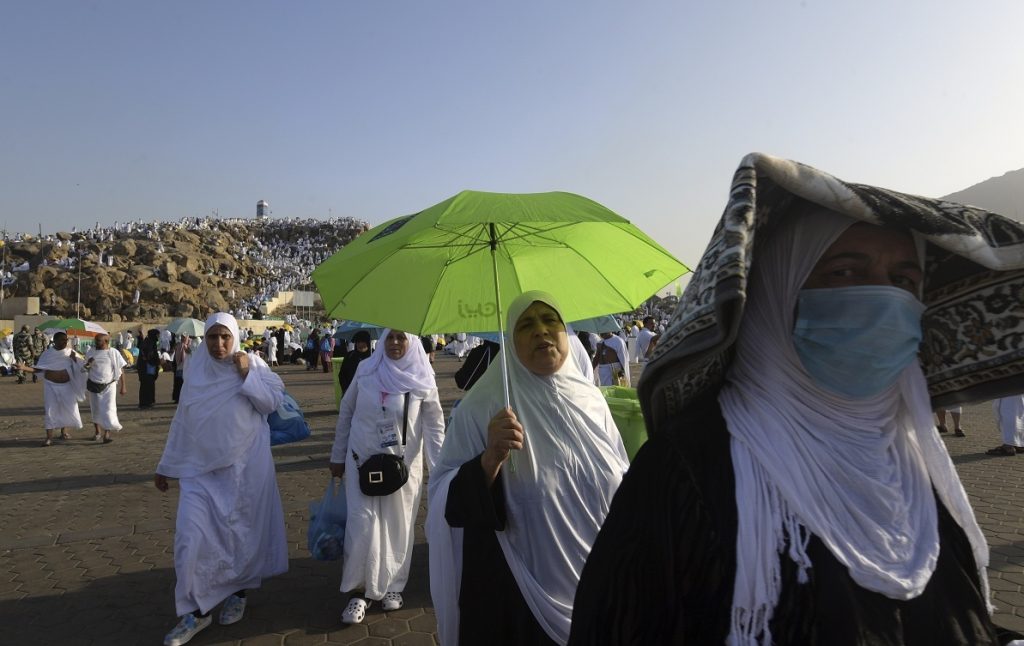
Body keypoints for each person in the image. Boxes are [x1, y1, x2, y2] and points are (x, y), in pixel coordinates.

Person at [569, 154, 1024, 645]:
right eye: (846, 272)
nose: (883, 299)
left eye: (903, 281)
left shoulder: (913, 457)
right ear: (777, 289)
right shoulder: (690, 468)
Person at [427, 291, 630, 645]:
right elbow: (445, 497)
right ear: (510, 338)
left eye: (550, 320)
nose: (541, 331)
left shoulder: (592, 399)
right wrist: (489, 460)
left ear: (566, 331)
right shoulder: (484, 406)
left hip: (604, 592)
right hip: (524, 600)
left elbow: (623, 480)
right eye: (526, 324)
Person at [154, 313, 288, 646]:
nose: (219, 345)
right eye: (213, 337)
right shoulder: (196, 369)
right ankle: (194, 613)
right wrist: (166, 464)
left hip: (245, 469)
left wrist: (246, 375)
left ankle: (238, 593)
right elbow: (183, 421)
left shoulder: (253, 364)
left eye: (225, 337)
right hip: (200, 472)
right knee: (190, 539)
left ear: (236, 338)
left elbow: (271, 402)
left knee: (240, 534)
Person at [328, 329, 445, 625]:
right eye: (390, 337)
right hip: (361, 463)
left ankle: (393, 585)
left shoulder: (422, 376)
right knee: (361, 524)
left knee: (399, 526)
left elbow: (434, 426)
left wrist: (441, 468)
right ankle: (358, 592)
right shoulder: (367, 370)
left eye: (401, 338)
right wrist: (337, 456)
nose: (394, 343)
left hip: (403, 470)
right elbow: (346, 411)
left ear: (412, 342)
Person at [16, 332, 86, 446]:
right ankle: (49, 437)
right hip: (51, 386)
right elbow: (39, 369)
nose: (65, 342)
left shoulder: (70, 352)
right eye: (62, 340)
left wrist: (75, 359)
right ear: (55, 341)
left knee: (67, 408)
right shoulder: (47, 354)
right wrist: (23, 368)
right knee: (50, 410)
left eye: (66, 340)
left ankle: (64, 432)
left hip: (67, 386)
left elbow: (83, 368)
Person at [84, 333, 127, 443]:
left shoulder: (113, 353)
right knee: (96, 409)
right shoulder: (91, 352)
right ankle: (97, 432)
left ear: (106, 342)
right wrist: (88, 363)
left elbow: (120, 369)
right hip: (94, 384)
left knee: (109, 409)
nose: (96, 343)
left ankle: (107, 434)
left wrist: (123, 386)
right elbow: (84, 369)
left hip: (109, 385)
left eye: (98, 341)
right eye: (95, 340)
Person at [138, 329, 161, 408]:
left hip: (145, 368)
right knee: (148, 384)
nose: (158, 337)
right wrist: (157, 361)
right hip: (148, 368)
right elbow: (149, 356)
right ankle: (147, 402)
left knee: (146, 385)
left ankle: (146, 402)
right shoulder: (150, 343)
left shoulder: (148, 342)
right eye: (157, 335)